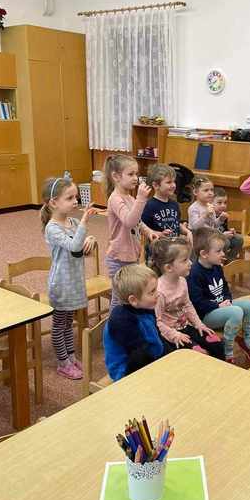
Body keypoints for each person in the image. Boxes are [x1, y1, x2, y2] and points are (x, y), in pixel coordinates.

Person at [41, 176, 98, 380]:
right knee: (59, 325)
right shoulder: (52, 228)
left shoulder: (72, 222)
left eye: (76, 197)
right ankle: (62, 363)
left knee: (68, 323)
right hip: (61, 284)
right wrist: (85, 222)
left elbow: (80, 249)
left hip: (74, 281)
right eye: (69, 198)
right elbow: (74, 246)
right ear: (53, 202)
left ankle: (70, 357)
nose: (75, 201)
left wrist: (91, 239)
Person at [187, 227, 250, 366]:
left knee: (249, 306)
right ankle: (228, 353)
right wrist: (218, 305)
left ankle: (248, 343)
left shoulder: (216, 266)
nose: (223, 254)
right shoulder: (195, 273)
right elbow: (197, 302)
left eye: (223, 250)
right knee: (236, 312)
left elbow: (225, 288)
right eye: (218, 251)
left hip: (221, 307)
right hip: (205, 315)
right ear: (204, 254)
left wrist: (227, 299)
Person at [151, 237, 225, 359]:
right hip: (171, 335)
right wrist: (175, 335)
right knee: (200, 354)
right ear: (169, 267)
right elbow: (157, 322)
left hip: (186, 326)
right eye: (185, 260)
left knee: (217, 343)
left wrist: (199, 324)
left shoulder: (182, 281)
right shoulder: (159, 292)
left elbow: (187, 304)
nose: (190, 263)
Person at [105, 264, 176, 380]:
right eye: (152, 292)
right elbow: (138, 356)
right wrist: (163, 369)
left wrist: (171, 356)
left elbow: (157, 337)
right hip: (127, 372)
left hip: (148, 359)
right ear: (133, 300)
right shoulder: (122, 321)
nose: (158, 294)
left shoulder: (146, 307)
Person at [104, 154, 155, 308]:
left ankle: (126, 320)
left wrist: (148, 232)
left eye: (136, 174)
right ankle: (115, 322)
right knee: (119, 298)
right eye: (131, 174)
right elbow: (129, 221)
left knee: (130, 295)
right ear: (116, 177)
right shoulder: (115, 199)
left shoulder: (130, 198)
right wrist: (141, 199)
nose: (136, 178)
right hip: (118, 257)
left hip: (131, 255)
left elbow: (137, 222)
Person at [141, 163, 192, 241]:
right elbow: (142, 229)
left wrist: (187, 231)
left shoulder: (175, 204)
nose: (173, 185)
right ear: (156, 185)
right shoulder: (149, 205)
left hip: (174, 245)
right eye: (169, 182)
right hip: (157, 246)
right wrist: (159, 234)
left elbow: (176, 224)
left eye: (174, 181)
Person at [213, 186, 244, 260]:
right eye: (219, 203)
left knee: (239, 239)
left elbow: (223, 229)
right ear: (210, 203)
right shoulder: (210, 215)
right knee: (226, 242)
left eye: (225, 203)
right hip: (213, 239)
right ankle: (220, 260)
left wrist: (231, 231)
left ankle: (230, 259)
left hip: (222, 236)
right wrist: (223, 235)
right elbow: (211, 232)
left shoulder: (224, 215)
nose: (223, 205)